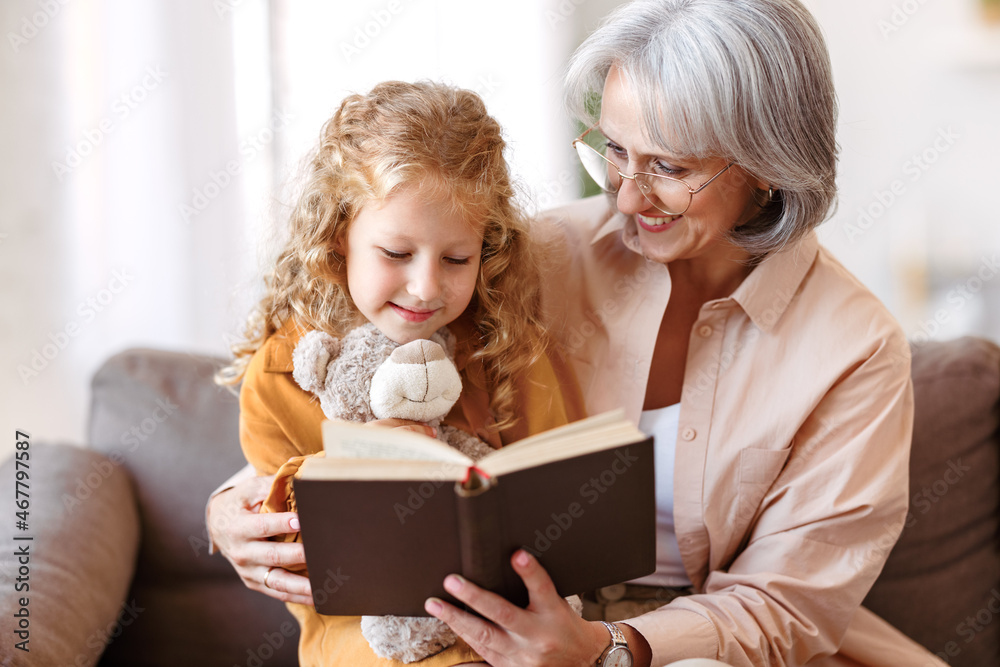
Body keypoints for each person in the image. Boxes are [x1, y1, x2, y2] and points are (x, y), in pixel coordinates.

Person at [209, 1, 950, 665]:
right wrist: (233, 505)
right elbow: (363, 379)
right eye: (614, 152)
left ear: (767, 167)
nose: (625, 195)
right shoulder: (538, 257)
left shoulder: (856, 351)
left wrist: (607, 649)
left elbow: (788, 606)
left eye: (668, 166)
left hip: (694, 645)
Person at [215, 80, 585, 666]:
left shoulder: (506, 350)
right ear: (339, 237)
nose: (427, 286)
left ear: (485, 252)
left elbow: (563, 496)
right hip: (365, 643)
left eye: (456, 259)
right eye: (395, 254)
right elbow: (280, 546)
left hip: (509, 631)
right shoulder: (285, 369)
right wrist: (347, 472)